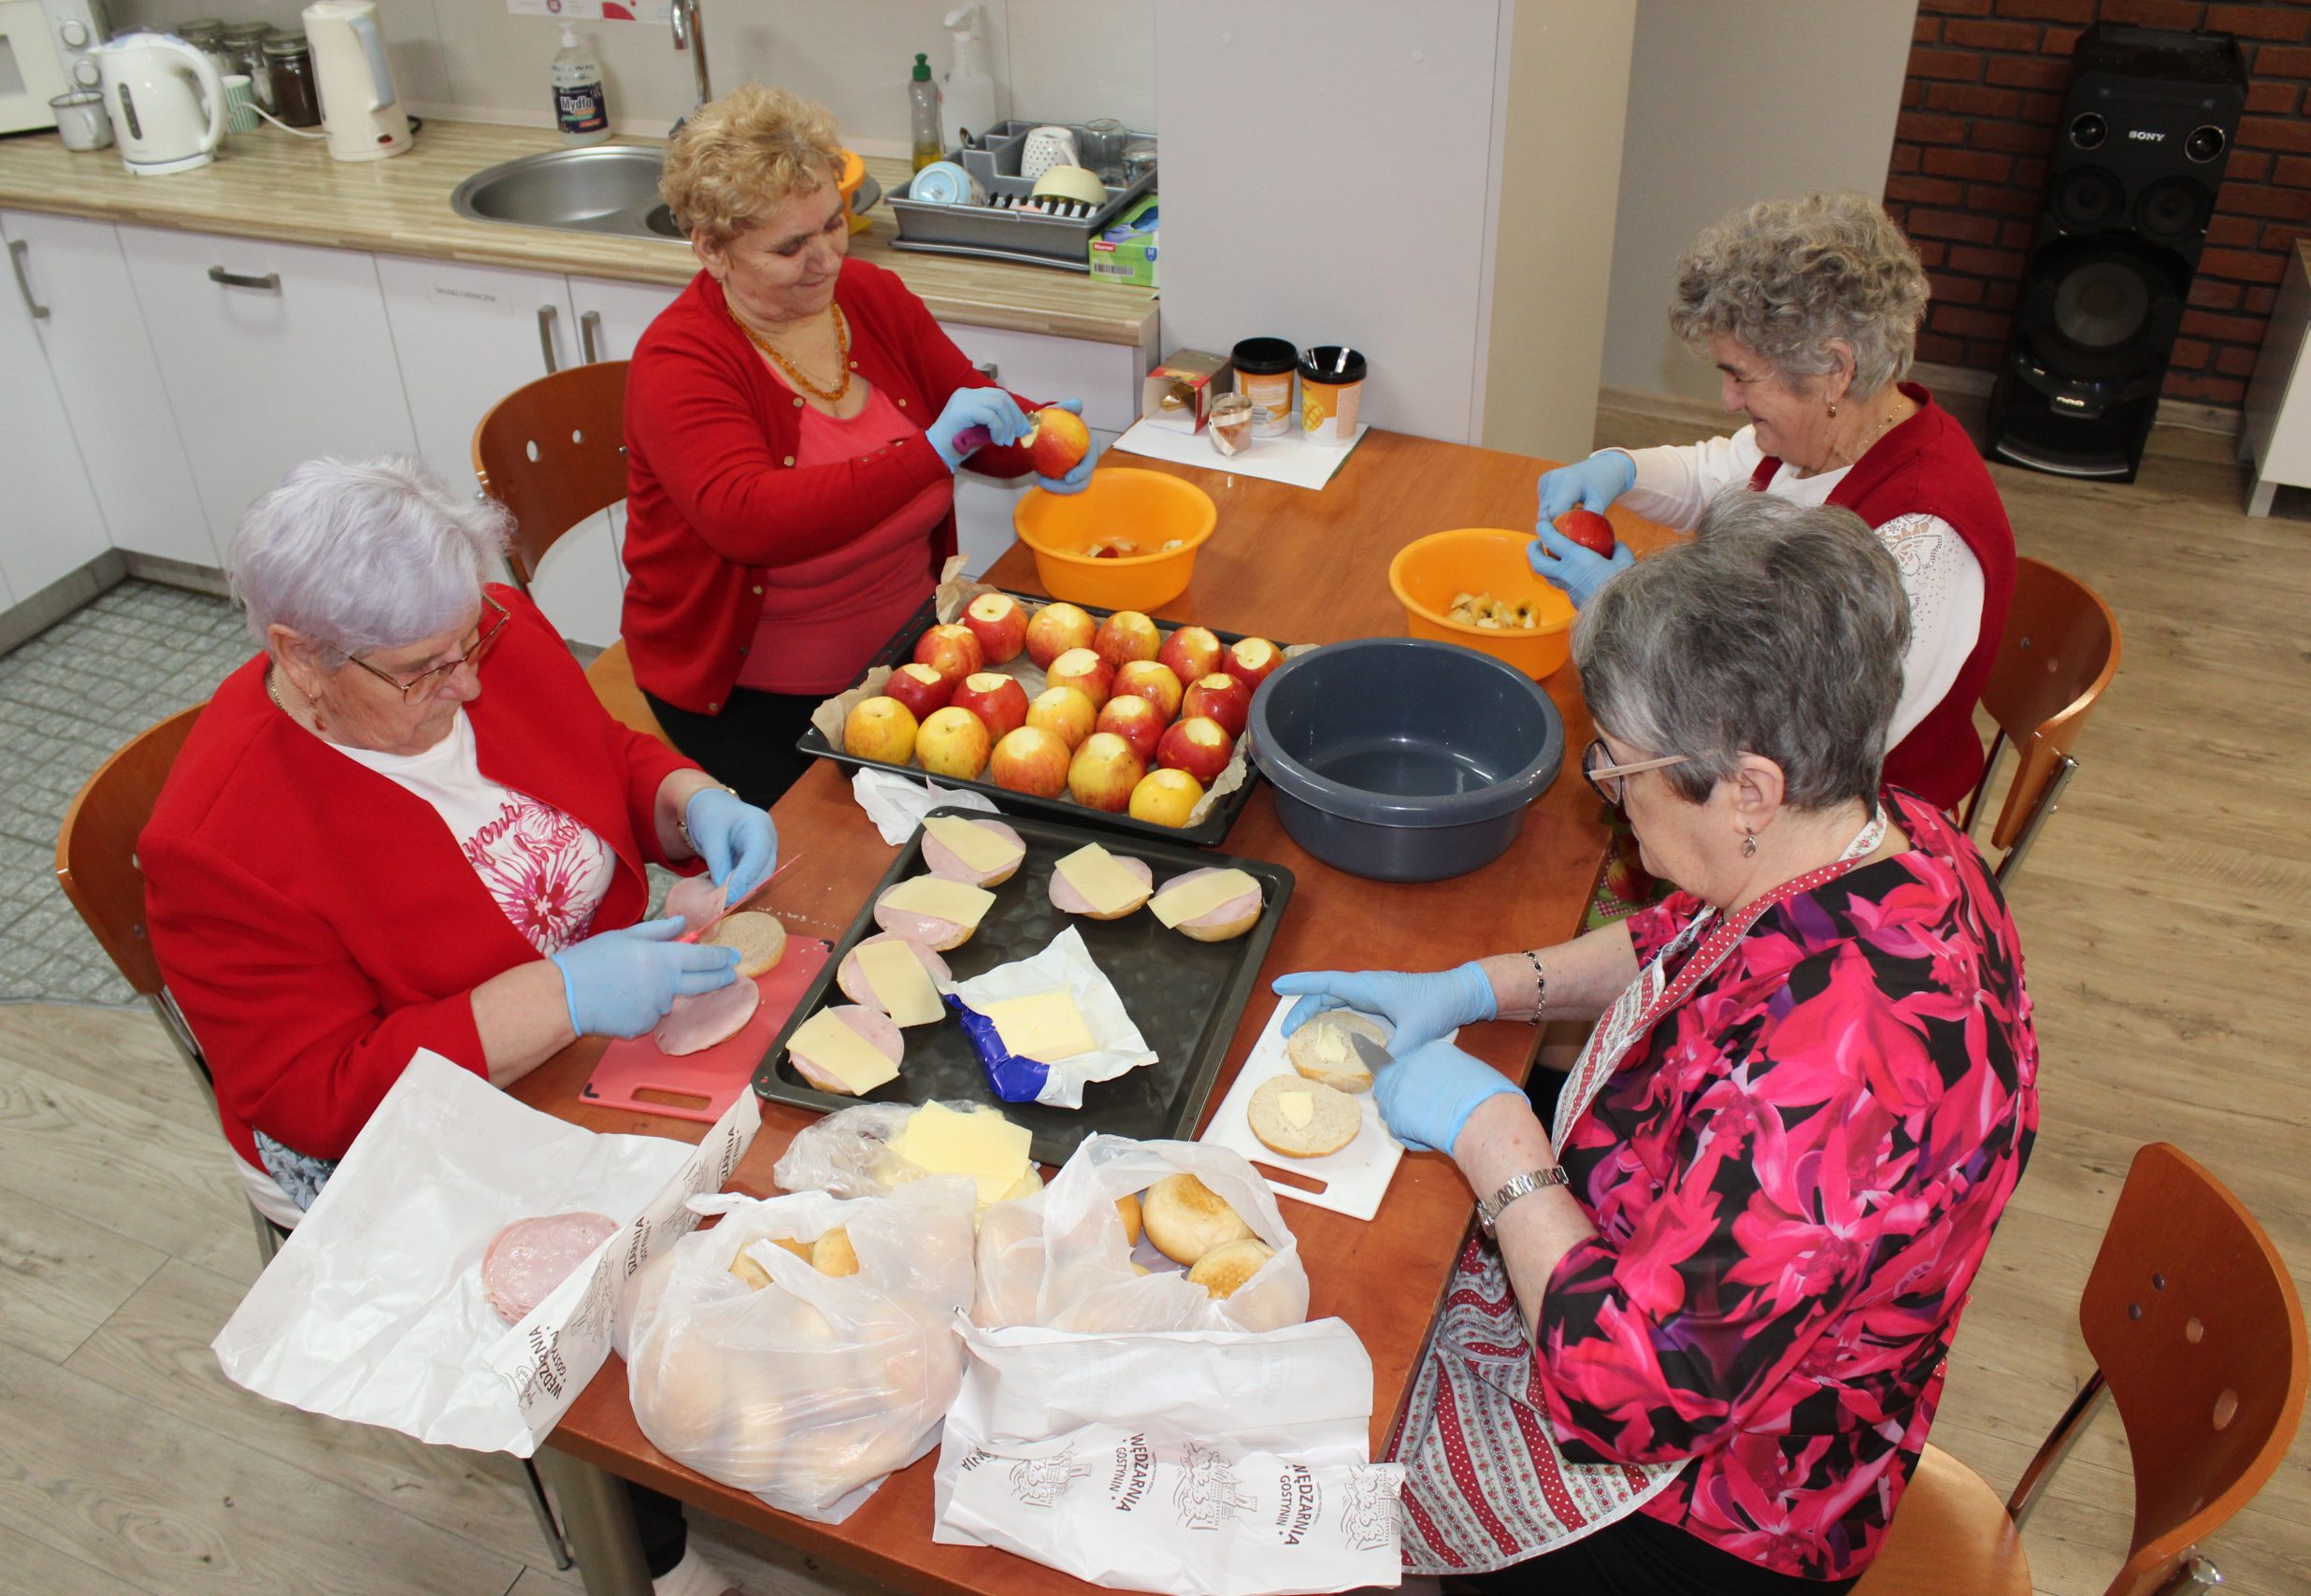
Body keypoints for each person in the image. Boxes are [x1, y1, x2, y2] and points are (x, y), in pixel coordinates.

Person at [1274, 490, 2038, 1593]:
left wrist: (1494, 1134)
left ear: (1749, 791)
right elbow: (1690, 931)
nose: (1608, 793)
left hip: (1717, 1508)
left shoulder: (1846, 1071)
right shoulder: (1891, 833)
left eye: (1620, 768)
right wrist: (1484, 986)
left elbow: (1629, 1396)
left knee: (1298, 1451)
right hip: (1678, 1296)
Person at [142, 458, 769, 1596]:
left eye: (469, 644)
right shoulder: (218, 840)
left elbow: (602, 752)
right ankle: (640, 1549)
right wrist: (557, 1000)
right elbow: (316, 1092)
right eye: (426, 672)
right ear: (299, 657)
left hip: (583, 1022)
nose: (468, 685)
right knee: (598, 1300)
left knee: (762, 1180)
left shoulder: (472, 626)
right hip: (400, 1120)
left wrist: (686, 798)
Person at [625, 83, 1098, 805]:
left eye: (833, 224)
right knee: (872, 864)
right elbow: (749, 516)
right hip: (753, 701)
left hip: (913, 649)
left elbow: (968, 417)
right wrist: (931, 452)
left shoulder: (871, 297)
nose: (825, 258)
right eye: (790, 246)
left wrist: (1036, 433)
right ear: (711, 249)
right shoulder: (679, 362)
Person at [1530, 193, 2015, 812]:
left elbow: (1798, 742)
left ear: (1835, 370)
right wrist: (1619, 468)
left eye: (1741, 375)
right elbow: (1716, 475)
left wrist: (1625, 613)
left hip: (1844, 829)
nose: (1729, 399)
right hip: (1763, 765)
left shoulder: (1921, 539)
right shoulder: (1821, 435)